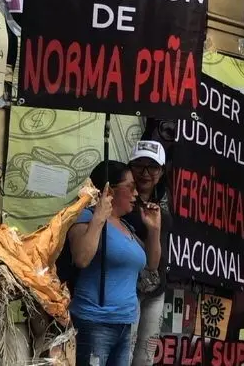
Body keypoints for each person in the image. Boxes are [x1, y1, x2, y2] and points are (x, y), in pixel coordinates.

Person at [68, 160, 162, 366]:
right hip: (95, 322)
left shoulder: (126, 226)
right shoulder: (86, 216)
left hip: (125, 323)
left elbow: (152, 266)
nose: (136, 193)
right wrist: (99, 217)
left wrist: (154, 230)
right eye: (130, 186)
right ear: (110, 190)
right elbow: (81, 258)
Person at [124, 140, 172, 366]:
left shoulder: (162, 206)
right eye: (139, 165)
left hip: (156, 290)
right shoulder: (120, 203)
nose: (145, 173)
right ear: (130, 167)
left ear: (161, 172)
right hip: (127, 289)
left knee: (145, 357)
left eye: (152, 167)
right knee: (124, 352)